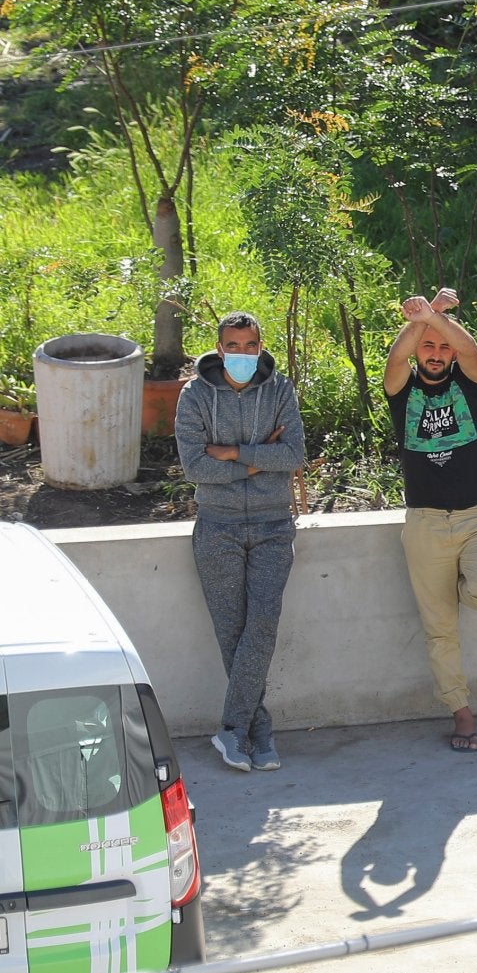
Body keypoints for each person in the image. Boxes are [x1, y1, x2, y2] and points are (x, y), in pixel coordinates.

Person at [174, 311, 307, 772]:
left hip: (273, 526)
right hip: (218, 528)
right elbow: (195, 467)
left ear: (260, 346)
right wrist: (255, 462)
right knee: (233, 634)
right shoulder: (194, 396)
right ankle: (259, 732)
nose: (243, 355)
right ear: (219, 347)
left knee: (263, 625)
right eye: (233, 346)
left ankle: (233, 730)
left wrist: (231, 452)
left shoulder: (281, 390)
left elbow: (293, 454)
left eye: (250, 346)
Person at [384, 286, 477, 752]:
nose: (436, 354)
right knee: (440, 630)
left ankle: (457, 584)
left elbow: (470, 350)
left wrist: (433, 315)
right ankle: (461, 712)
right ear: (417, 349)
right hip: (426, 525)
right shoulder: (403, 390)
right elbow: (395, 361)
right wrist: (423, 318)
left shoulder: (468, 382)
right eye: (427, 346)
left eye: (442, 346)